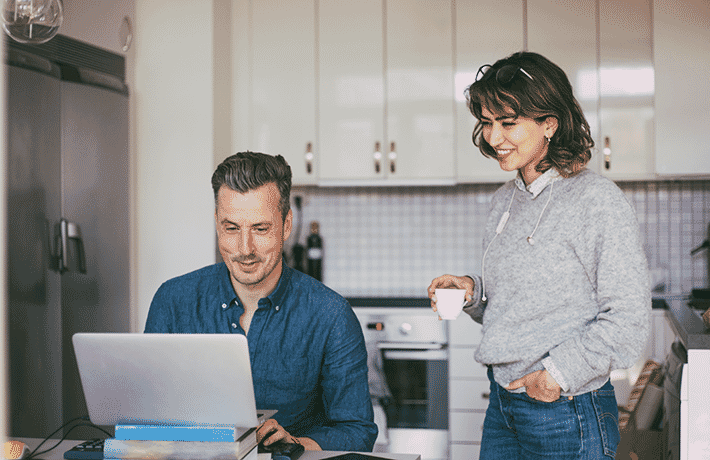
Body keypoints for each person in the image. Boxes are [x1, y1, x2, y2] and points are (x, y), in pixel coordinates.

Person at [427, 51, 650, 459]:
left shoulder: (595, 200)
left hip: (566, 409)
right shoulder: (504, 202)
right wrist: (472, 293)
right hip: (503, 406)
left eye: (508, 123)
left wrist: (554, 377)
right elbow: (518, 305)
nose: (494, 138)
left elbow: (629, 319)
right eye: (487, 123)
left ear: (550, 123)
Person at [145, 151, 378, 452]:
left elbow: (357, 431)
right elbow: (148, 417)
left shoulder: (331, 315)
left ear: (286, 225)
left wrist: (297, 443)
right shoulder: (173, 301)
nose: (245, 249)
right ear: (217, 224)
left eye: (260, 228)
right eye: (232, 228)